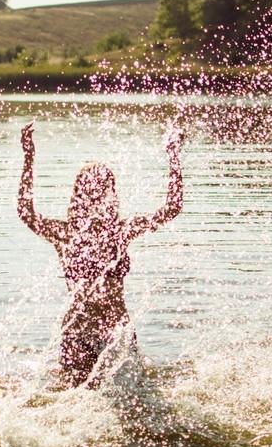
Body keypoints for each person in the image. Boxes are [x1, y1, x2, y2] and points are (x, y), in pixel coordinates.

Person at [18, 121, 184, 388]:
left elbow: (26, 213)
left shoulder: (71, 233)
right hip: (107, 330)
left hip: (91, 329)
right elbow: (172, 208)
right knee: (130, 399)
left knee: (73, 398)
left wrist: (29, 159)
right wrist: (173, 156)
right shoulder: (116, 231)